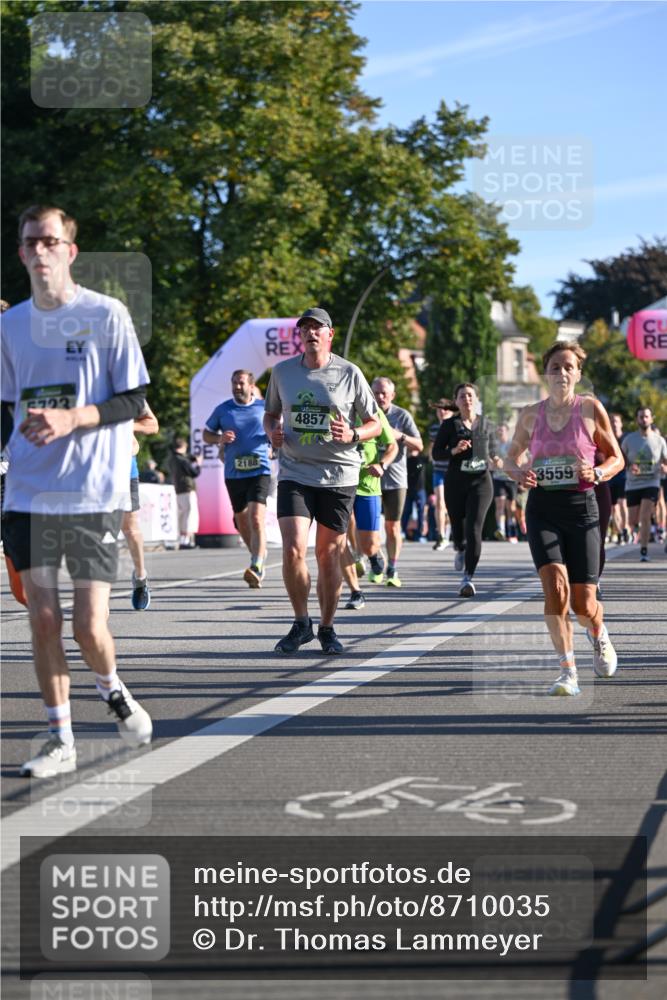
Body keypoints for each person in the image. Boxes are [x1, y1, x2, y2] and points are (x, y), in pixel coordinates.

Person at [1, 204, 153, 777]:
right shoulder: (10, 326)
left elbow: (133, 401)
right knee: (43, 619)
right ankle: (59, 738)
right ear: (21, 253)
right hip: (28, 492)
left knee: (89, 625)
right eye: (30, 242)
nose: (39, 251)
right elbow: (5, 407)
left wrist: (73, 418)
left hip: (93, 492)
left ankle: (111, 687)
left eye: (50, 241)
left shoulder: (106, 314)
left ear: (70, 250)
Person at [504, 341, 624, 697]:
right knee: (556, 587)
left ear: (578, 373)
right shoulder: (530, 414)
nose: (562, 373)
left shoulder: (590, 409)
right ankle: (567, 671)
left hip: (582, 507)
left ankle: (598, 634)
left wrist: (597, 472)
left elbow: (616, 458)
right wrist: (518, 472)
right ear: (546, 373)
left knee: (583, 604)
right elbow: (510, 458)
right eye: (555, 367)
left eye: (569, 366)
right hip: (543, 508)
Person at [263, 307, 381, 654]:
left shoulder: (349, 372)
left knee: (328, 555)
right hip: (295, 471)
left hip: (338, 475)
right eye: (305, 328)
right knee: (293, 548)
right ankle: (301, 623)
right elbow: (270, 414)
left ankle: (327, 628)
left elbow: (375, 423)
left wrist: (353, 433)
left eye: (318, 328)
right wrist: (272, 432)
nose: (311, 333)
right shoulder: (283, 372)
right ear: (300, 335)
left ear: (330, 334)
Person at [203, 369, 271, 587]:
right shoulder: (223, 410)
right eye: (234, 383)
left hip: (260, 470)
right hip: (234, 473)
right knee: (241, 520)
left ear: (251, 385)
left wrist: (274, 442)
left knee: (256, 517)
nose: (237, 387)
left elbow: (277, 429)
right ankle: (257, 555)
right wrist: (220, 438)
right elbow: (206, 434)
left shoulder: (264, 407)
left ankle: (257, 564)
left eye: (241, 383)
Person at [432, 382, 497, 597]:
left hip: (481, 483)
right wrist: (454, 450)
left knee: (474, 529)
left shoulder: (487, 424)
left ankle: (468, 577)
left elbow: (495, 451)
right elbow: (436, 453)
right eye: (462, 396)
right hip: (456, 483)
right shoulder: (450, 425)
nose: (467, 399)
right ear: (456, 401)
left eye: (470, 395)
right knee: (459, 530)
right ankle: (459, 547)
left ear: (476, 399)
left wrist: (497, 459)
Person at [341, 404, 398, 608]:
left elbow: (392, 445)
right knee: (337, 541)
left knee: (368, 544)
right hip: (339, 484)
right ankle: (355, 592)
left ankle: (373, 555)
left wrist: (382, 465)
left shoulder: (374, 413)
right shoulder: (333, 408)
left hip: (367, 486)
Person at [371, 377, 423, 587]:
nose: (380, 396)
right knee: (369, 527)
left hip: (395, 480)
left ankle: (392, 568)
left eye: (384, 393)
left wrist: (400, 436)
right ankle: (374, 559)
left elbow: (419, 445)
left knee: (392, 527)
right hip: (369, 479)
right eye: (376, 392)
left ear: (392, 395)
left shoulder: (402, 415)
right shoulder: (364, 414)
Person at [122, 401, 159, 610]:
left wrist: (128, 426)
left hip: (125, 472)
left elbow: (153, 425)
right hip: (91, 472)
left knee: (130, 529)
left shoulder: (129, 391)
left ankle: (140, 577)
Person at [622, 407, 667, 562]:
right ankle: (634, 530)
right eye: (641, 417)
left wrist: (664, 468)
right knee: (632, 520)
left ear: (651, 419)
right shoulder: (629, 440)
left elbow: (665, 461)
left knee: (645, 516)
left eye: (646, 416)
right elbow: (620, 458)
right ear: (637, 419)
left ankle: (644, 549)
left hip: (652, 482)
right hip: (633, 484)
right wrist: (629, 466)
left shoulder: (659, 441)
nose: (644, 419)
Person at [428, 398, 455, 549]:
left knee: (451, 504)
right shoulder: (433, 429)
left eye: (445, 409)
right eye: (439, 409)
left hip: (452, 470)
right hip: (438, 470)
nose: (442, 412)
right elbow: (432, 447)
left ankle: (450, 532)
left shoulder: (456, 426)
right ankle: (441, 535)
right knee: (439, 502)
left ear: (451, 411)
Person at [169, 436, 201, 549]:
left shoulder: (173, 459)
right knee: (189, 514)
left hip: (178, 489)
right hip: (187, 488)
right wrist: (198, 464)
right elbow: (194, 473)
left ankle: (182, 539)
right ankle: (186, 540)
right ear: (183, 446)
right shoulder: (183, 460)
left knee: (182, 514)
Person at [492, 422, 518, 542]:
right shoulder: (494, 445)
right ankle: (501, 530)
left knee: (511, 507)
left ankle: (512, 531)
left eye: (502, 430)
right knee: (500, 503)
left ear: (507, 431)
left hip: (511, 478)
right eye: (498, 430)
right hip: (498, 478)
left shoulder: (512, 444)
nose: (500, 432)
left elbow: (518, 460)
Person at [608, 413, 629, 545]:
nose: (614, 424)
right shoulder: (607, 438)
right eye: (612, 421)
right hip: (611, 476)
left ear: (621, 423)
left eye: (616, 421)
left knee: (622, 503)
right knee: (613, 507)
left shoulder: (627, 438)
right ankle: (620, 532)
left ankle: (626, 529)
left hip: (624, 476)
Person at [401, 449, 428, 542]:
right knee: (406, 511)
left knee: (421, 511)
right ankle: (403, 533)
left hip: (419, 489)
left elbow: (430, 456)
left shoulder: (422, 459)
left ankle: (420, 535)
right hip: (408, 490)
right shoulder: (405, 460)